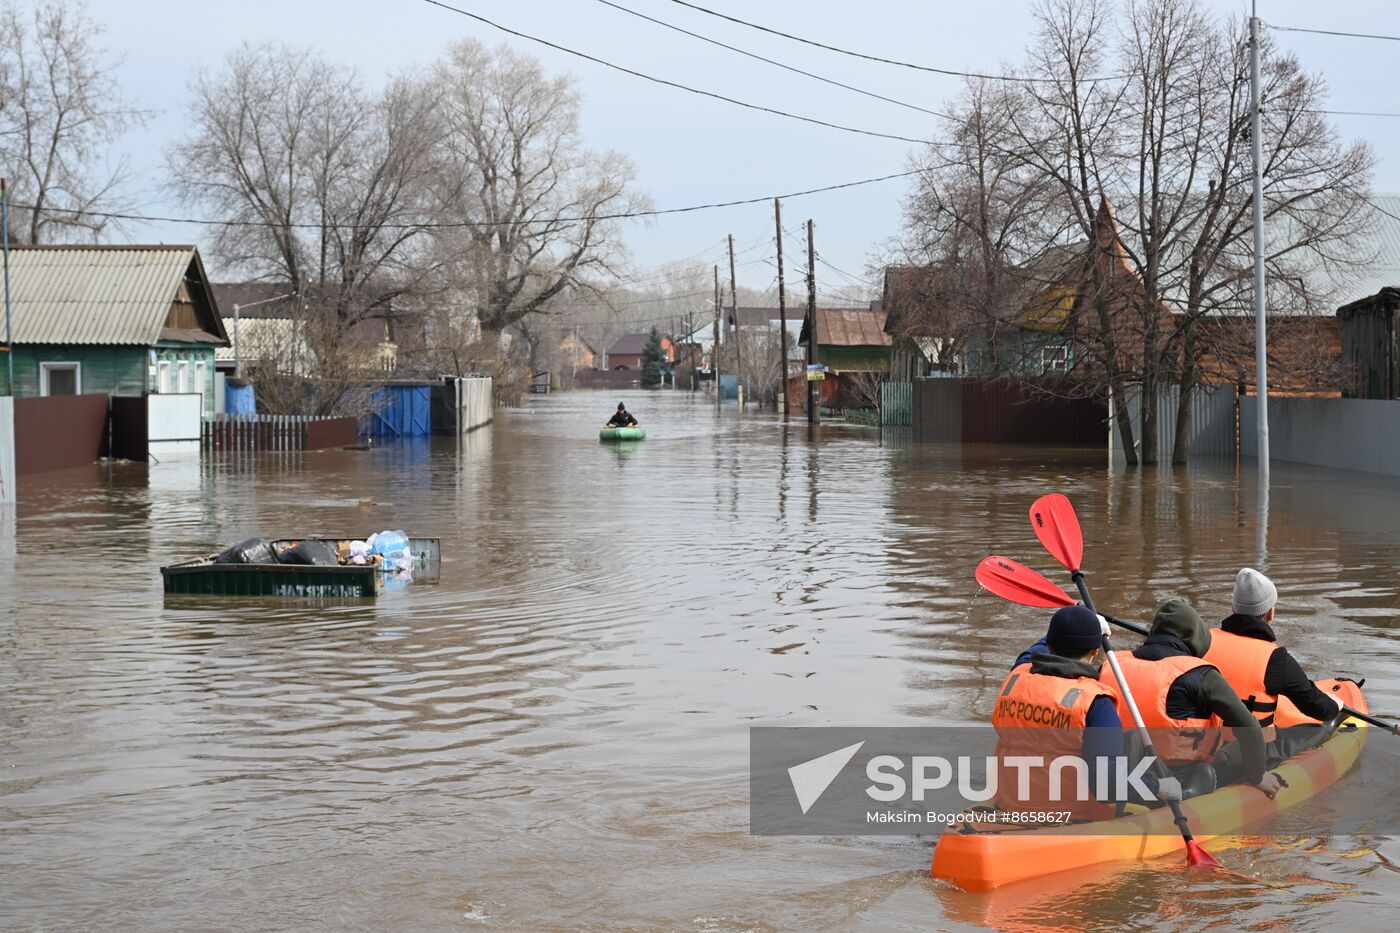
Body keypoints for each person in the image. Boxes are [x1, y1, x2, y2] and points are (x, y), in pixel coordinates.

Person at [994, 606, 1181, 821]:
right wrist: (1157, 786)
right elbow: (1105, 781)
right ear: (1094, 651)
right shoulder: (1095, 702)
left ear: (1050, 644)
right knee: (1129, 740)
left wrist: (1068, 623)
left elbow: (1031, 653)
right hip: (1071, 818)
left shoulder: (1016, 678)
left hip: (1008, 806)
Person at [1101, 599, 1279, 798]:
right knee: (1262, 737)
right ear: (1196, 638)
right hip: (1178, 778)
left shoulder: (1112, 664)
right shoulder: (1201, 674)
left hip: (1116, 772)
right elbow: (1249, 727)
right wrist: (1258, 776)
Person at [1205, 568, 1343, 764]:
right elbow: (1319, 709)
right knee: (1315, 729)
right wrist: (1336, 705)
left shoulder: (1202, 641)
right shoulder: (1277, 659)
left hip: (1203, 742)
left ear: (1233, 607)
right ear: (1271, 613)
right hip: (1249, 753)